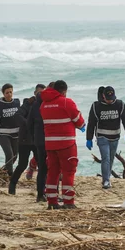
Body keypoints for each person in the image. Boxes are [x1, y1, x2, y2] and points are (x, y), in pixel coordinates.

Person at [40, 80, 85, 210]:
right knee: (68, 172)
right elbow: (79, 121)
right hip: (67, 144)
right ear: (64, 91)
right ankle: (68, 201)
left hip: (50, 144)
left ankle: (52, 201)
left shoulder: (44, 104)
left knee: (53, 172)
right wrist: (81, 125)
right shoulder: (67, 102)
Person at [86, 86, 125, 189]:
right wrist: (89, 138)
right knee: (105, 158)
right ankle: (106, 181)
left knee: (110, 159)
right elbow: (91, 123)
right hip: (102, 136)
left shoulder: (120, 104)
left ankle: (106, 178)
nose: (109, 101)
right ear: (103, 96)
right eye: (107, 99)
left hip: (115, 137)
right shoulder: (96, 106)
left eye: (111, 99)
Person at [8, 84, 46, 195]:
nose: (40, 94)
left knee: (42, 165)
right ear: (35, 93)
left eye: (42, 92)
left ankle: (41, 191)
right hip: (25, 140)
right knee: (22, 164)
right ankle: (12, 184)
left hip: (37, 140)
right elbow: (18, 115)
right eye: (38, 92)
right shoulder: (28, 103)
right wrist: (29, 124)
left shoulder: (45, 104)